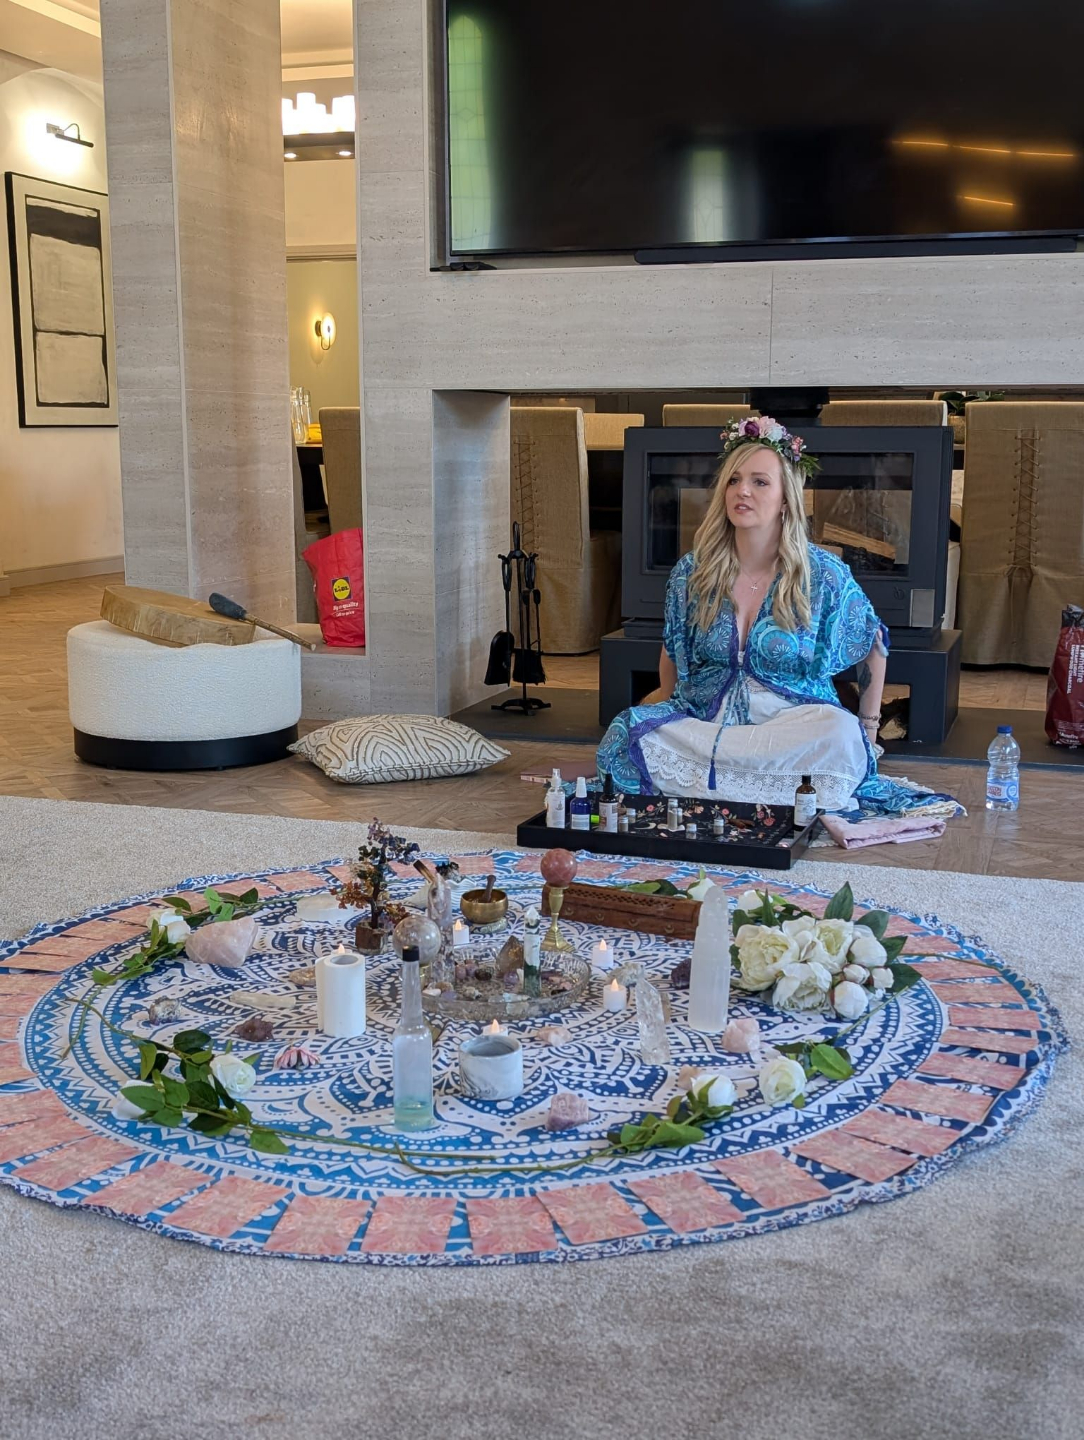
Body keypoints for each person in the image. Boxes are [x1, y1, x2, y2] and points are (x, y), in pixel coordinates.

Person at [598, 416, 920, 813]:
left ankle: (719, 790)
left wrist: (868, 730)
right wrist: (662, 710)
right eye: (734, 480)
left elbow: (872, 645)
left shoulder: (822, 574)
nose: (743, 491)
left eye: (760, 482)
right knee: (628, 732)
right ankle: (764, 792)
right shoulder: (692, 572)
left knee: (840, 734)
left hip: (792, 726)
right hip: (710, 723)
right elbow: (673, 650)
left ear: (786, 499)